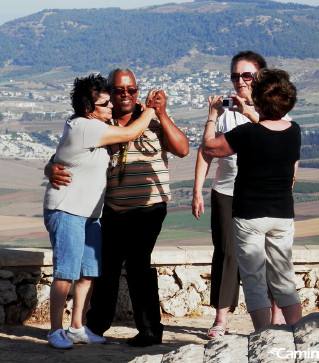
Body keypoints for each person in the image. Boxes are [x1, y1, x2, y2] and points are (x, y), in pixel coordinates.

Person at [47, 68, 190, 347]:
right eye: (119, 91)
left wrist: (160, 113)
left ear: (137, 90)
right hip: (110, 208)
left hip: (148, 207)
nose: (125, 95)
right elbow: (62, 155)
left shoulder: (153, 117)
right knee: (105, 267)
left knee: (138, 265)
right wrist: (50, 169)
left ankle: (149, 330)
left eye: (131, 90)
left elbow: (182, 148)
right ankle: (96, 326)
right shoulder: (100, 119)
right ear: (109, 93)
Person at [192, 50, 285, 339]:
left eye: (247, 75)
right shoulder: (223, 112)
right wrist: (197, 190)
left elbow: (281, 143)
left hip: (262, 193)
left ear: (260, 76)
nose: (240, 81)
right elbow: (206, 150)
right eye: (235, 75)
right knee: (226, 254)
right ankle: (221, 318)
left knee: (270, 255)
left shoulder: (276, 108)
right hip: (226, 191)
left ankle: (277, 316)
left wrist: (250, 113)